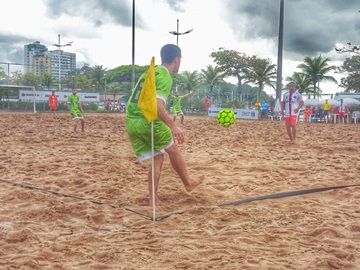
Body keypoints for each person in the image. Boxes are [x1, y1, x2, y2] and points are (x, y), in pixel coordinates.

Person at [125, 44, 204, 206]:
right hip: (147, 121)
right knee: (173, 150)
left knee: (158, 157)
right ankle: (188, 182)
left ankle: (153, 199)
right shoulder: (165, 76)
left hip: (131, 121)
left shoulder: (149, 73)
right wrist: (173, 126)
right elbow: (156, 105)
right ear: (176, 60)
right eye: (180, 59)